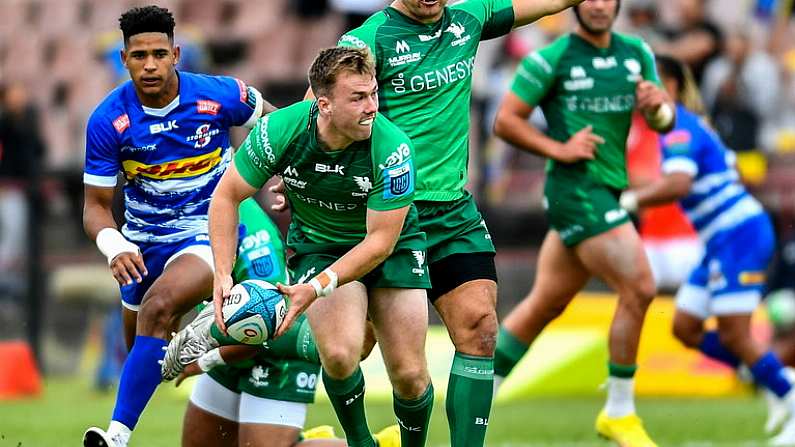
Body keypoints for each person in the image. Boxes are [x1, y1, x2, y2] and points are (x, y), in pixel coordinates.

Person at [333, 1, 587, 444]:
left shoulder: (471, 17)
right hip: (391, 215)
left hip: (453, 211)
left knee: (481, 327)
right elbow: (323, 110)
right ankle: (287, 373)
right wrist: (298, 168)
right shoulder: (368, 39)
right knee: (355, 350)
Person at [209, 47, 433, 447]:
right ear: (324, 104)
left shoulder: (393, 147)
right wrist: (223, 274)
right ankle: (362, 442)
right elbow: (226, 197)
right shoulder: (279, 130)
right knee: (342, 354)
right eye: (358, 98)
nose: (372, 107)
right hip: (321, 246)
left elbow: (380, 242)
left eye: (374, 94)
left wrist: (314, 288)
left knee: (410, 375)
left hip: (392, 247)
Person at [80, 6, 273, 446]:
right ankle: (208, 336)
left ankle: (114, 438)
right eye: (139, 55)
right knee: (144, 349)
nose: (150, 65)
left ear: (177, 54)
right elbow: (94, 206)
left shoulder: (221, 95)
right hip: (142, 243)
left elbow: (278, 125)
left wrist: (281, 173)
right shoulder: (107, 120)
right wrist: (114, 246)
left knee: (157, 306)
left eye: (160, 54)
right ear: (125, 58)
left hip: (208, 231)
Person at [490, 1, 675, 445]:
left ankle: (479, 393)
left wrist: (659, 108)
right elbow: (504, 121)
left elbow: (663, 122)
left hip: (606, 189)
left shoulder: (638, 53)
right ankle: (619, 411)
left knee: (544, 304)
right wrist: (560, 149)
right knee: (641, 286)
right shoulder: (549, 59)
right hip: (575, 192)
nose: (596, 5)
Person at [620, 54, 795, 446]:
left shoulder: (679, 126)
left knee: (735, 333)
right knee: (685, 328)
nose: (642, 93)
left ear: (674, 85)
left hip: (740, 233)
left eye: (652, 83)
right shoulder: (675, 127)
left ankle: (786, 392)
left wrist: (629, 201)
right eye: (639, 86)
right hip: (718, 240)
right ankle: (775, 379)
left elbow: (679, 185)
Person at [168, 198, 398, 447]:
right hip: (229, 344)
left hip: (278, 352)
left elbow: (266, 328)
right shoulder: (182, 206)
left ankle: (384, 445)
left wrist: (204, 360)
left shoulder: (255, 237)